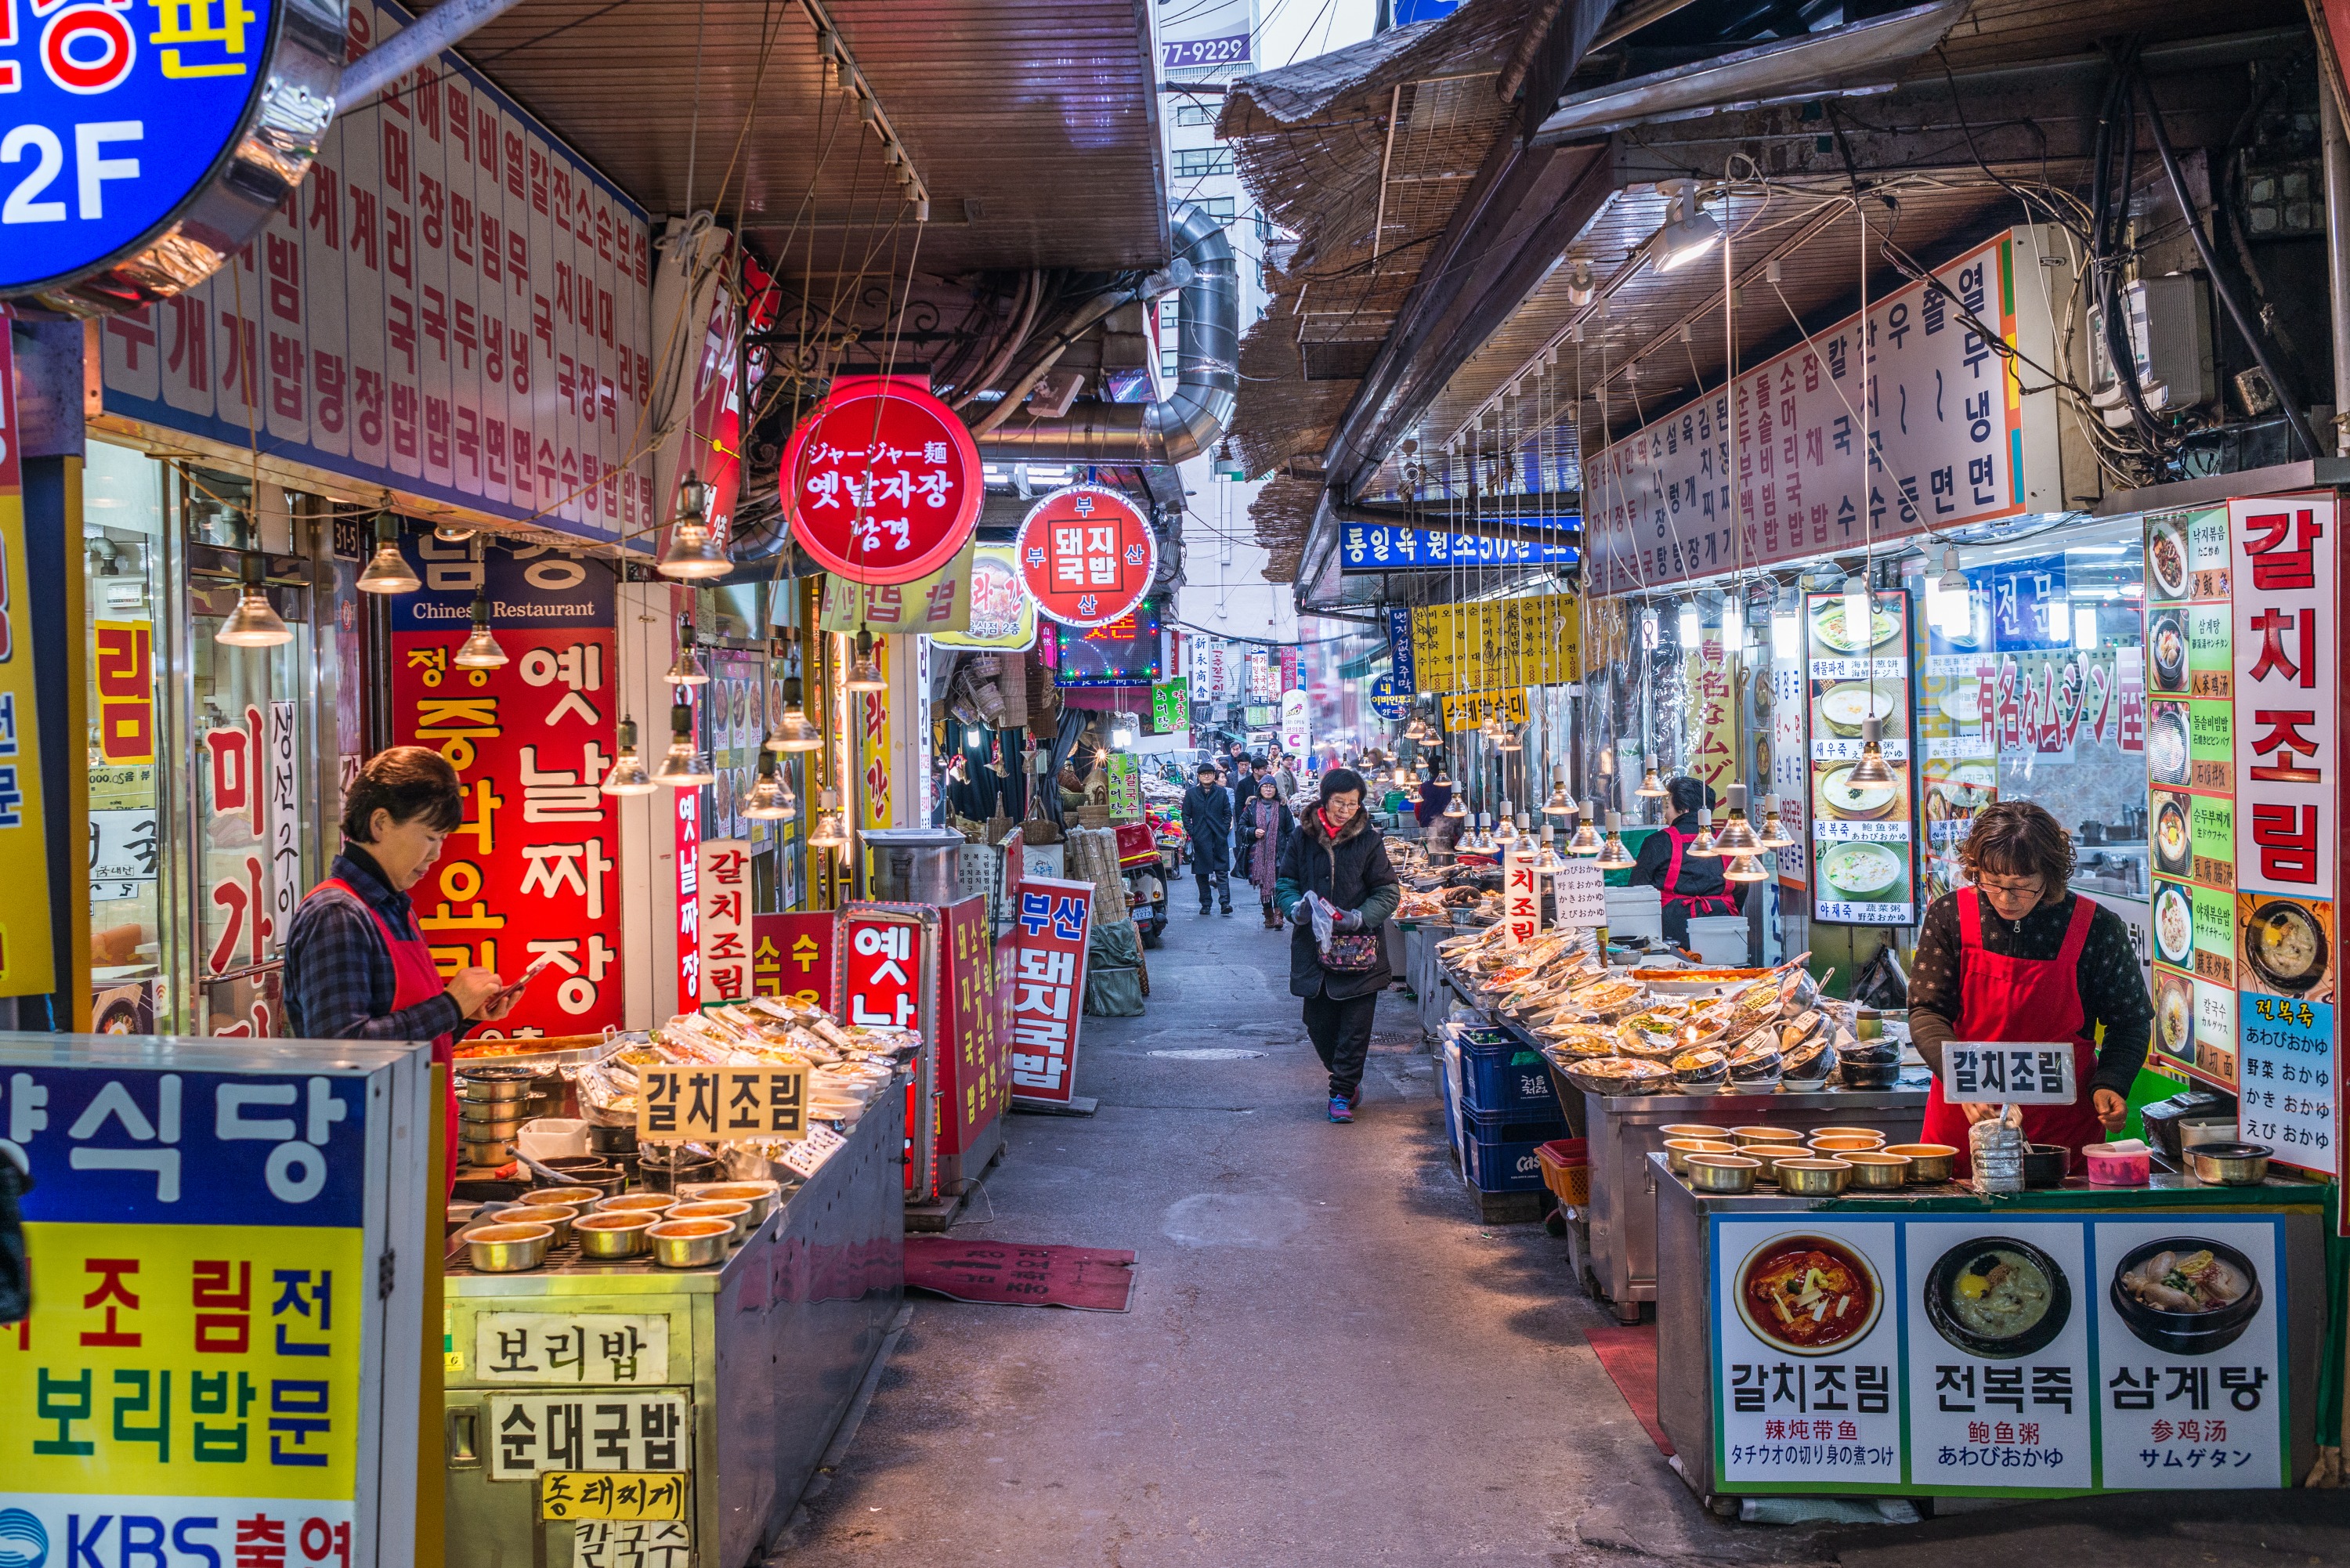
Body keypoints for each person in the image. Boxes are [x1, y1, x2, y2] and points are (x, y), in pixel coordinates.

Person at [284, 747, 515, 1188]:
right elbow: (342, 1050)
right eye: (429, 836)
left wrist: (466, 1015)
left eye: (443, 840)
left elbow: (409, 1035)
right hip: (366, 1161)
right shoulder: (337, 914)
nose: (436, 854)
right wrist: (450, 1005)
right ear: (380, 823)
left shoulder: (394, 907)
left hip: (413, 1150)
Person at [1911, 800, 2148, 1175]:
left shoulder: (2097, 927)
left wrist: (2112, 1082)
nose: (2005, 898)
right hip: (1966, 1115)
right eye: (1992, 882)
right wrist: (1964, 1081)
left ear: (2049, 877)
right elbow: (1927, 1010)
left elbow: (2129, 1021)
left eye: (2022, 887)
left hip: (2062, 1130)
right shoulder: (1949, 915)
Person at [1276, 768, 1401, 1122]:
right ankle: (1345, 1079)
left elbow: (1388, 891)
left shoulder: (1368, 840)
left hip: (1361, 953)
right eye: (1339, 803)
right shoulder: (1302, 837)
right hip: (1314, 951)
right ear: (1323, 800)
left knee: (1355, 1030)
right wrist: (1295, 908)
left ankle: (1342, 1093)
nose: (1346, 810)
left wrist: (1359, 917)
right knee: (1317, 1025)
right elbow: (1285, 882)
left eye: (1353, 803)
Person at [1629, 775, 1739, 949]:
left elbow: (1638, 890)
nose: (1665, 815)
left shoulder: (1659, 841)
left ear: (1684, 809)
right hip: (1723, 928)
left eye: (1668, 807)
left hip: (1673, 932)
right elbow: (1741, 888)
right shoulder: (1729, 841)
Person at [1238, 776, 1296, 928]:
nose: (1268, 790)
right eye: (1265, 787)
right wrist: (1253, 831)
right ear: (1260, 789)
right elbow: (1241, 826)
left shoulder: (1282, 807)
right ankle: (1268, 916)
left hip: (1279, 851)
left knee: (1277, 884)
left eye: (1272, 787)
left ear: (1276, 790)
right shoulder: (1251, 807)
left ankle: (1279, 916)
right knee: (1264, 883)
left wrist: (1292, 849)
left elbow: (1291, 830)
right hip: (1259, 853)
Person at [1180, 761, 1235, 916]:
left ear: (1214, 776)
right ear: (1199, 776)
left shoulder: (1221, 792)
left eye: (1210, 774)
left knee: (1222, 871)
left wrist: (1224, 830)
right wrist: (1193, 832)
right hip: (1201, 838)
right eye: (1204, 774)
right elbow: (1186, 815)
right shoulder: (1191, 794)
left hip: (1219, 837)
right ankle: (1205, 904)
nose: (1207, 776)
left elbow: (1227, 813)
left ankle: (1225, 903)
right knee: (1202, 873)